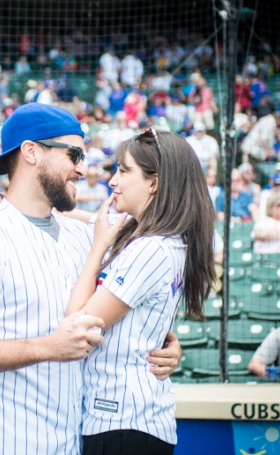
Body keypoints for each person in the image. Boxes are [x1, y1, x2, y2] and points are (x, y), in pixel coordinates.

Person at [0, 104, 181, 455]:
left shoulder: (85, 237)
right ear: (31, 152)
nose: (82, 168)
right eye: (73, 154)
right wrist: (46, 347)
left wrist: (164, 341)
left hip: (77, 443)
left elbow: (148, 265)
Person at [63, 128, 216, 454]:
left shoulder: (150, 248)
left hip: (122, 423)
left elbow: (76, 325)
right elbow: (77, 217)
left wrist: (97, 250)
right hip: (133, 420)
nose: (113, 181)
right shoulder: (159, 237)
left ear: (155, 182)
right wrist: (5, 203)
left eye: (123, 170)